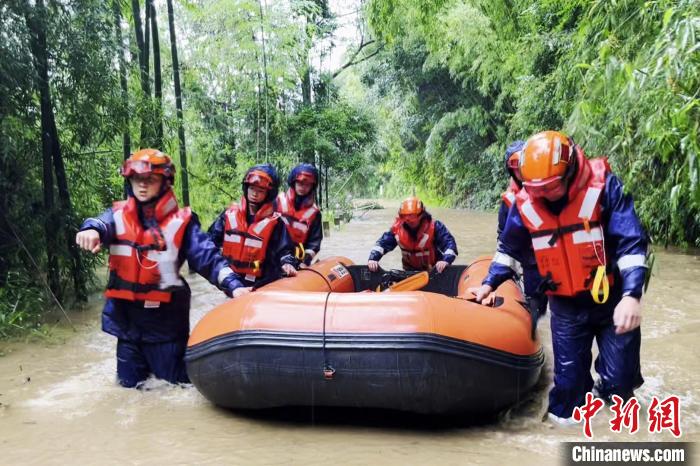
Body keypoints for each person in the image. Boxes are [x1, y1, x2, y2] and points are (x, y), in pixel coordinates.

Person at [470, 131, 648, 423]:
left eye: (550, 187)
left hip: (612, 299)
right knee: (567, 394)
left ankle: (610, 395)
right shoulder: (525, 202)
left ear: (569, 171)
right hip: (566, 306)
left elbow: (631, 242)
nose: (542, 195)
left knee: (620, 386)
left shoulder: (604, 187)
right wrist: (489, 284)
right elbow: (510, 249)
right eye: (536, 189)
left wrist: (631, 296)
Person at [75, 149, 248, 388]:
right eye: (137, 179)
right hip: (128, 327)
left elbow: (206, 257)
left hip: (165, 328)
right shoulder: (116, 216)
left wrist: (234, 286)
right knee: (128, 393)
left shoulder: (183, 223)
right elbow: (101, 223)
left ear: (165, 183)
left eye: (150, 180)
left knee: (174, 389)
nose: (142, 186)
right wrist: (91, 229)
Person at [208, 163, 297, 287]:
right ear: (246, 188)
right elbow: (210, 242)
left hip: (263, 283)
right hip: (234, 281)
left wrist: (287, 263)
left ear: (269, 194)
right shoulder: (228, 215)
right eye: (252, 189)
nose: (254, 194)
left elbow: (285, 250)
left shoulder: (276, 223)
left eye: (260, 191)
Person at [495, 140, 548, 319]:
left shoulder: (551, 188)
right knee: (535, 306)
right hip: (530, 262)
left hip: (552, 259)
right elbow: (504, 239)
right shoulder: (509, 201)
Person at [368, 196, 458, 273]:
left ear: (421, 215)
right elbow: (382, 244)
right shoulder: (396, 229)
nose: (409, 220)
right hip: (409, 273)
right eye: (405, 216)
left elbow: (450, 244)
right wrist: (373, 258)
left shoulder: (435, 226)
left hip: (435, 271)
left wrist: (445, 261)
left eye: (412, 216)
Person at [276, 163, 323, 267]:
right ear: (293, 182)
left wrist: (305, 261)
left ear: (312, 186)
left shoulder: (315, 213)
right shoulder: (277, 201)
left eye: (307, 185)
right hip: (274, 258)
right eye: (300, 183)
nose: (303, 187)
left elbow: (314, 242)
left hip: (297, 260)